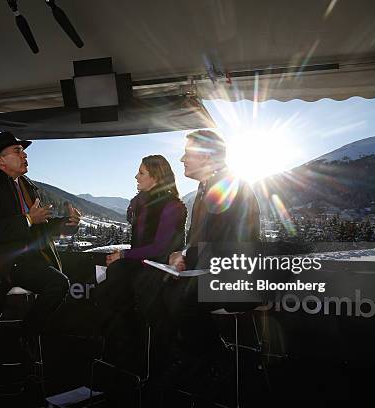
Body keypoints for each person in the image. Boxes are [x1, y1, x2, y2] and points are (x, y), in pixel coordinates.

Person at [145, 130, 261, 406]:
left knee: (179, 297)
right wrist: (180, 256)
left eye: (189, 152)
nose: (183, 158)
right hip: (215, 271)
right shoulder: (206, 188)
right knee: (159, 290)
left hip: (237, 277)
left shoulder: (230, 185)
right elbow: (202, 242)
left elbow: (236, 244)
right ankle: (198, 361)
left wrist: (191, 262)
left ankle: (215, 363)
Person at [0, 131, 81, 356]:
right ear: (0, 160)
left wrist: (67, 224)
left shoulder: (28, 188)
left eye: (24, 151)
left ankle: (25, 335)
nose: (25, 155)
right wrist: (27, 219)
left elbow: (39, 228)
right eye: (17, 151)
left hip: (26, 263)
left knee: (59, 284)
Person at [94, 155, 187, 370]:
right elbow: (139, 244)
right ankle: (120, 357)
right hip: (140, 265)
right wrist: (122, 257)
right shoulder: (140, 202)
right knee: (112, 284)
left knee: (123, 286)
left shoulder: (172, 206)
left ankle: (144, 362)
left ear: (155, 177)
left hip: (159, 268)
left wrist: (124, 256)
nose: (136, 176)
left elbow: (160, 248)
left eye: (141, 172)